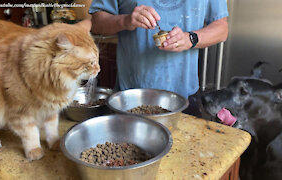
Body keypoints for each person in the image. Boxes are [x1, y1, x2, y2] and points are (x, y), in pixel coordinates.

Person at [89, 1, 228, 117]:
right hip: (130, 96)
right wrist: (125, 21)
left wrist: (190, 39)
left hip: (185, 96)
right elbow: (96, 23)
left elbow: (222, 28)